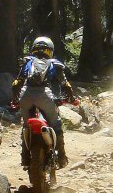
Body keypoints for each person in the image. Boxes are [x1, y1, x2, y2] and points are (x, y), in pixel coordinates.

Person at [11, 36, 76, 169]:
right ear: (50, 50)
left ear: (33, 50)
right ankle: (62, 158)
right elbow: (66, 85)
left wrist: (15, 100)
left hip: (26, 95)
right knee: (56, 124)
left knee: (26, 126)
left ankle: (24, 157)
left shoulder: (28, 62)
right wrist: (72, 98)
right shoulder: (54, 63)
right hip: (44, 95)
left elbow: (16, 84)